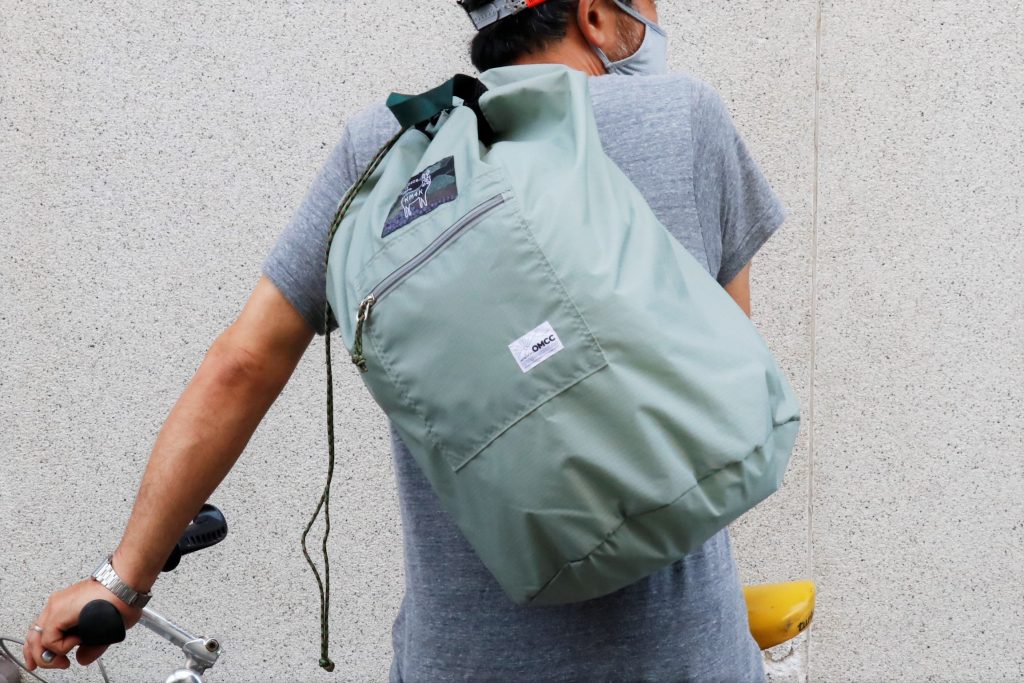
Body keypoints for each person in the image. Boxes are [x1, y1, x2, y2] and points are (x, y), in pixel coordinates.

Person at [23, 0, 788, 680]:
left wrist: (122, 582)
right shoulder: (682, 117)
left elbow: (243, 362)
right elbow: (728, 384)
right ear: (593, 14)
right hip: (685, 655)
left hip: (462, 660)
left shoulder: (388, 152)